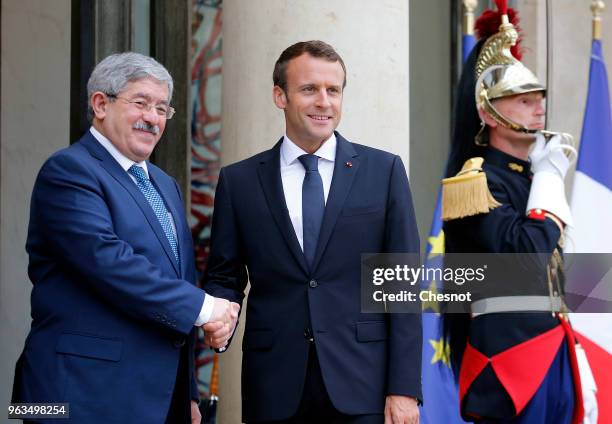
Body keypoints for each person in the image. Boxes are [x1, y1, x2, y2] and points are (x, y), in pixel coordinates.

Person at [11, 52, 238, 424]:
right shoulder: (68, 171)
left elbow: (178, 279)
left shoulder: (164, 184)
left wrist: (187, 395)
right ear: (100, 104)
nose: (153, 118)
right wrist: (205, 308)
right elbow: (107, 260)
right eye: (141, 103)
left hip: (158, 400)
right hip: (74, 398)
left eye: (163, 109)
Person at [202, 40, 422, 423]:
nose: (324, 101)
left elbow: (401, 288)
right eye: (309, 89)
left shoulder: (383, 171)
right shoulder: (239, 182)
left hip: (363, 386)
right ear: (279, 96)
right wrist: (218, 318)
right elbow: (225, 275)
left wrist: (403, 389)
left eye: (332, 90)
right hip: (274, 386)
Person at [441, 6, 593, 424]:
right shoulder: (475, 182)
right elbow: (528, 253)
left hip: (551, 348)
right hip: (508, 363)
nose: (538, 110)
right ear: (489, 114)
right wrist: (547, 179)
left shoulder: (524, 178)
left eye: (539, 101)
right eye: (524, 101)